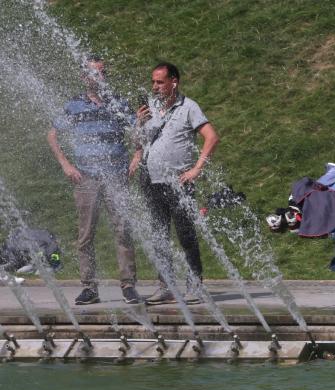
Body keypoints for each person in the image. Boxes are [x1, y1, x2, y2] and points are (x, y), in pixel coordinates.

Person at [47, 55, 140, 305]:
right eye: (94, 73)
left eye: (102, 72)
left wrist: (137, 155)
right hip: (87, 178)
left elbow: (138, 130)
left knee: (123, 229)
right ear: (84, 77)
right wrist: (65, 164)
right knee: (86, 234)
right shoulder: (74, 105)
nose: (99, 77)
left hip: (116, 176)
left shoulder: (118, 102)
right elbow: (53, 135)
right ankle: (89, 287)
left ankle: (128, 285)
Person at [130, 62, 219, 305]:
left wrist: (196, 169)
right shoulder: (150, 108)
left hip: (178, 181)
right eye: (153, 82)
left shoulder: (188, 107)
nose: (155, 87)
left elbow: (212, 137)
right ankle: (165, 286)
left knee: (185, 234)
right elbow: (138, 143)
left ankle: (195, 286)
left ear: (174, 82)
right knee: (159, 235)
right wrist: (138, 123)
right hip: (150, 180)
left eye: (160, 82)